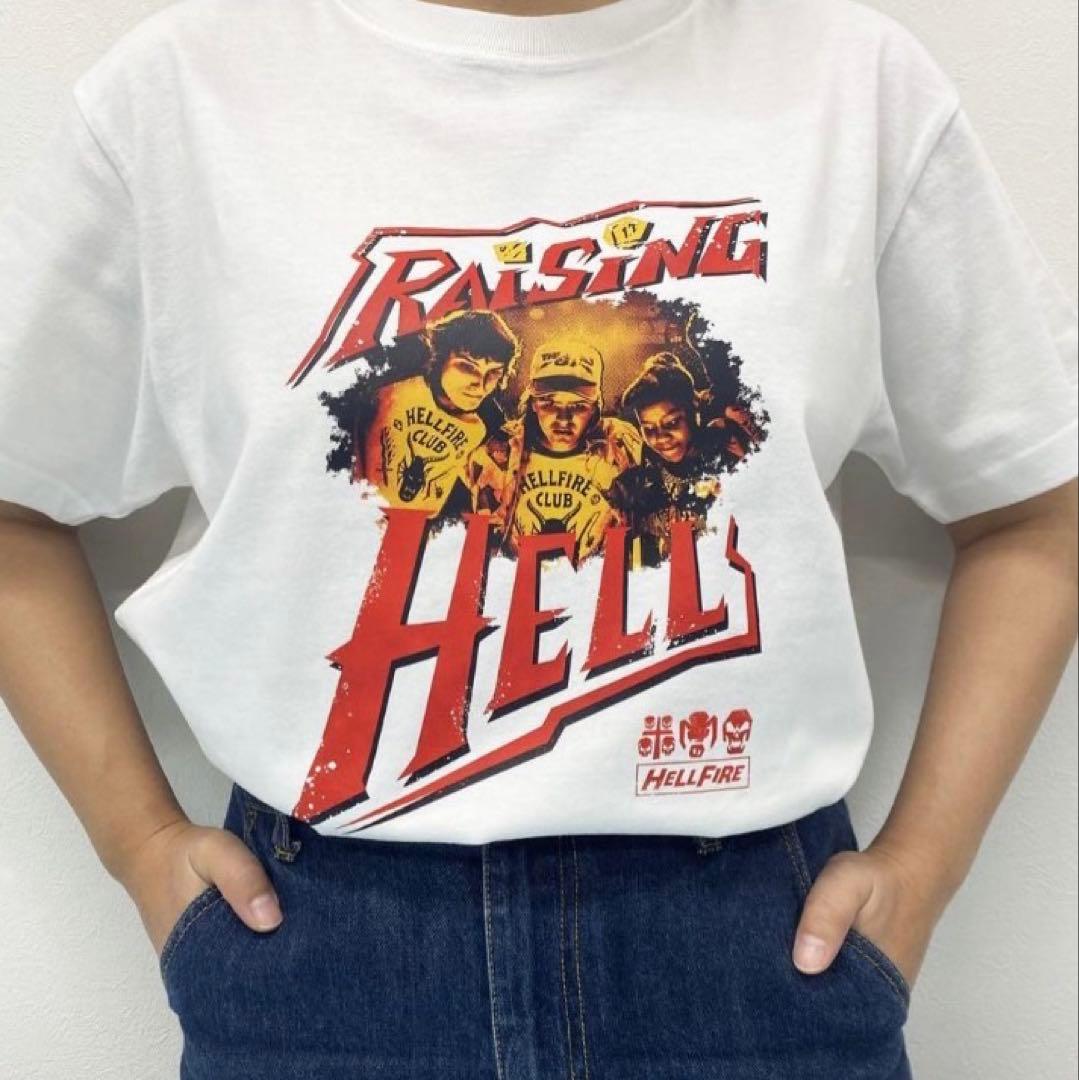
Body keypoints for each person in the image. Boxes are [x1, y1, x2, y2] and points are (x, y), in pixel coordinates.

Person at [0, 1, 1075, 1078]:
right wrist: (138, 843)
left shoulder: (850, 81)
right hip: (319, 935)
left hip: (748, 942)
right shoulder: (184, 92)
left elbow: (1034, 507)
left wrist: (925, 865)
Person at [467, 334, 641, 559]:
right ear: (533, 404)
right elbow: (486, 544)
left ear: (594, 407)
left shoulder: (620, 445)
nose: (563, 419)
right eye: (549, 403)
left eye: (578, 406)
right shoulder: (499, 454)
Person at [359, 308, 520, 514]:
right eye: (467, 367)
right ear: (440, 358)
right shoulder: (393, 384)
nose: (480, 386)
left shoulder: (490, 424)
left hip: (422, 525)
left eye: (494, 373)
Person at [608, 350, 757, 566]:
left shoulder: (728, 450)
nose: (661, 437)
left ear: (693, 408)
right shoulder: (638, 485)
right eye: (649, 429)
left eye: (671, 423)